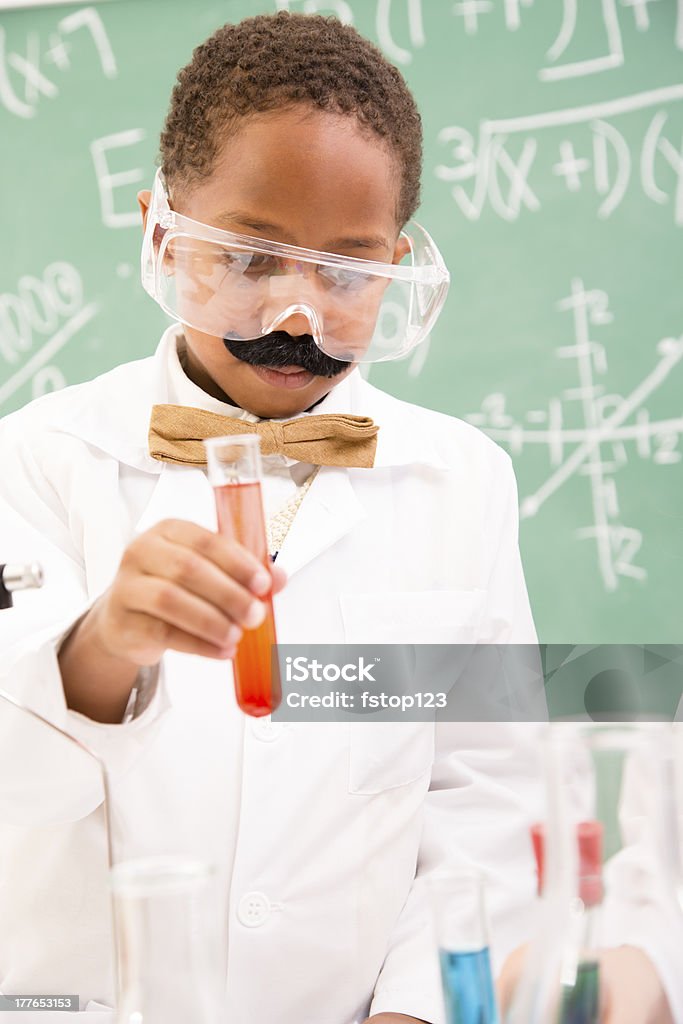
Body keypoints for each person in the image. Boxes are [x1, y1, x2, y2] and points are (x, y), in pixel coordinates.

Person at [0, 12, 675, 1024]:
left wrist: (414, 1009)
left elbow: (480, 795)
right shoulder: (37, 460)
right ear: (163, 231)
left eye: (348, 273)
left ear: (397, 265)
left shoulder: (461, 481)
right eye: (248, 257)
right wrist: (99, 646)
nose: (295, 315)